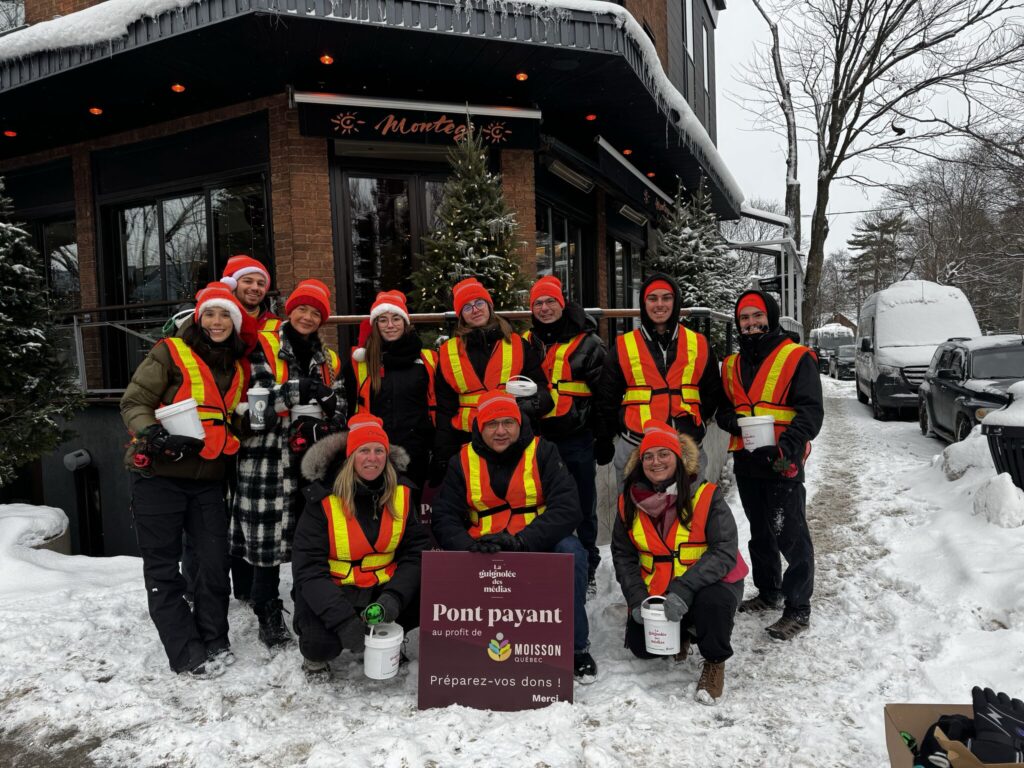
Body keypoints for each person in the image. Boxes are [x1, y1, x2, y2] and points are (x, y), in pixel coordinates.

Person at [120, 283, 248, 678]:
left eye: (225, 315)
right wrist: (154, 436)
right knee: (163, 568)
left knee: (213, 563)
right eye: (210, 314)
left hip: (208, 479)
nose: (217, 322)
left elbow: (227, 419)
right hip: (158, 476)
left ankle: (215, 638)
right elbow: (134, 402)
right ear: (198, 318)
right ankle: (186, 650)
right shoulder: (169, 351)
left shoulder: (236, 367)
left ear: (235, 323)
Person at [430, 390, 598, 681]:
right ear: (479, 427)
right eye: (492, 424)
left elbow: (568, 507)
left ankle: (576, 647)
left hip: (536, 542)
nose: (501, 431)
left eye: (508, 422)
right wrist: (468, 546)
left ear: (520, 423)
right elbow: (444, 515)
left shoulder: (543, 451)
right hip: (483, 547)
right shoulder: (461, 460)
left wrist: (523, 541)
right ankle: (466, 647)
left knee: (572, 552)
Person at [231, 278, 346, 649]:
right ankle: (266, 610)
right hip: (266, 458)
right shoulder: (261, 346)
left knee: (309, 540)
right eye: (302, 309)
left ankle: (305, 607)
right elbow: (256, 407)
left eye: (316, 313)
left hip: (312, 459)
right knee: (266, 544)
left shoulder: (328, 359)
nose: (308, 317)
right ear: (290, 310)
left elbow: (340, 403)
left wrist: (329, 416)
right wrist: (300, 390)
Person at [612, 420, 747, 705]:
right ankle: (683, 631)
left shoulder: (706, 495)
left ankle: (714, 661)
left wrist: (684, 589)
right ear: (640, 463)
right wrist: (636, 598)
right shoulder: (628, 502)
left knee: (713, 605)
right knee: (642, 648)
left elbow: (724, 551)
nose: (656, 461)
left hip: (709, 583)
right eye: (648, 456)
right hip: (658, 586)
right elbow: (623, 555)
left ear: (678, 458)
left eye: (664, 454)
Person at [715, 290, 823, 641]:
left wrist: (787, 450)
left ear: (771, 317)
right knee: (761, 531)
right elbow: (724, 409)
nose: (750, 323)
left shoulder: (797, 357)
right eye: (744, 318)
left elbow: (811, 413)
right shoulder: (732, 364)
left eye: (757, 316)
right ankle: (768, 591)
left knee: (790, 533)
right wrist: (734, 423)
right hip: (747, 459)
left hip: (781, 461)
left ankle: (798, 607)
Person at [291, 414, 429, 679]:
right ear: (350, 456)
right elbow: (308, 568)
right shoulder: (323, 498)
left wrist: (394, 597)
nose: (372, 458)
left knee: (428, 594)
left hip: (382, 589)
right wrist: (344, 621)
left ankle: (386, 636)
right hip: (334, 590)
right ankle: (315, 658)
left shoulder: (402, 493)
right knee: (320, 644)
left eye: (379, 451)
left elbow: (415, 553)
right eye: (364, 450)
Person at [596, 273, 725, 491]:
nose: (659, 304)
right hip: (637, 448)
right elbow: (606, 398)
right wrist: (607, 436)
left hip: (687, 447)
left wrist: (697, 423)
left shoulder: (699, 343)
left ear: (676, 302)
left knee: (689, 510)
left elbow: (712, 392)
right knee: (635, 510)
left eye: (666, 298)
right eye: (652, 298)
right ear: (643, 303)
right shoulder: (624, 345)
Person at [522, 275, 607, 593]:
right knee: (539, 503)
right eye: (538, 303)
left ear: (562, 303)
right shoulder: (525, 343)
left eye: (550, 302)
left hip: (577, 437)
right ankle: (547, 563)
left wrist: (603, 437)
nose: (544, 308)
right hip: (535, 438)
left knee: (583, 504)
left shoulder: (589, 343)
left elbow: (604, 395)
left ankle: (587, 567)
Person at [431, 277, 551, 483]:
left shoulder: (518, 345)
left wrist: (528, 408)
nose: (475, 310)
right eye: (467, 307)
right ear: (461, 315)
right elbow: (445, 409)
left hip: (512, 439)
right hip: (467, 441)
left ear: (489, 306)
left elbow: (541, 389)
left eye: (479, 303)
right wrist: (443, 453)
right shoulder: (447, 352)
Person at [349, 289, 436, 498]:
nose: (390, 325)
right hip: (374, 451)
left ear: (405, 323)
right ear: (375, 325)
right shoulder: (360, 363)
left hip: (415, 451)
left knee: (410, 507)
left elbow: (438, 405)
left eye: (396, 318)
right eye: (383, 320)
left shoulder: (428, 360)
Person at [219, 254, 281, 340]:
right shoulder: (215, 322)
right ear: (232, 285)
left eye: (260, 284)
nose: (255, 288)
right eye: (248, 281)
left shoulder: (278, 326)